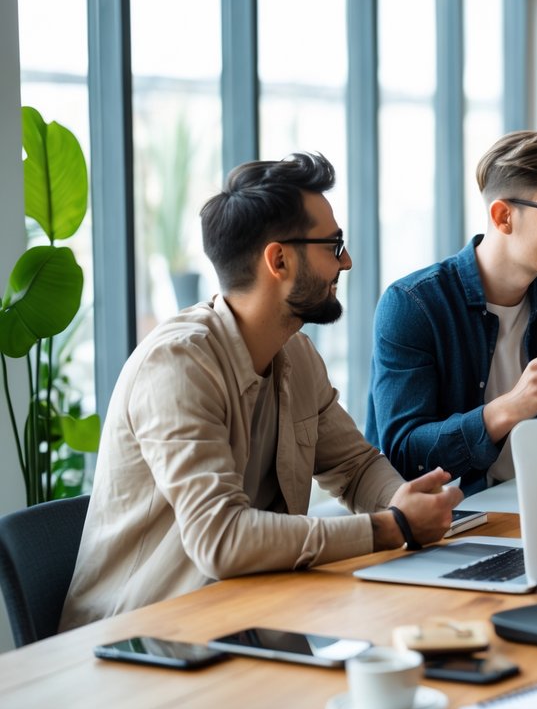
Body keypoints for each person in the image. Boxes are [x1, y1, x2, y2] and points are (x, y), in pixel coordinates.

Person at [60, 153, 462, 630]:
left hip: (252, 617)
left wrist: (406, 500)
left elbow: (353, 469)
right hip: (142, 640)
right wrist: (389, 527)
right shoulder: (177, 365)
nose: (347, 261)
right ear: (279, 260)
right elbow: (221, 538)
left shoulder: (298, 355)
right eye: (334, 245)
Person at [366, 130, 537, 494]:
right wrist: (512, 406)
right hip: (448, 520)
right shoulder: (413, 305)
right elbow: (404, 454)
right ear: (503, 217)